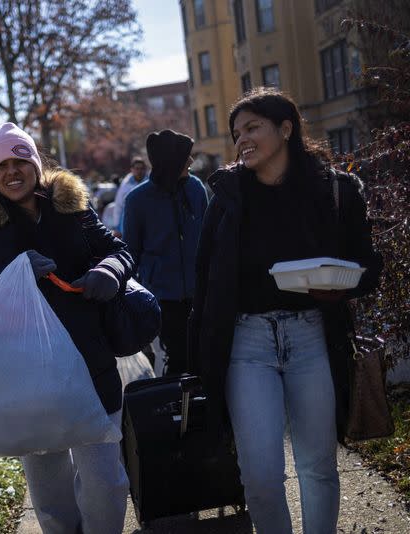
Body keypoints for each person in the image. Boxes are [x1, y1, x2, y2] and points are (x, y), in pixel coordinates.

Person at [187, 87, 383, 534]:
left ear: (286, 128)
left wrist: (339, 284)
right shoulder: (228, 197)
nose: (242, 141)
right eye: (237, 133)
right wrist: (198, 353)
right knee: (259, 478)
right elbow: (205, 284)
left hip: (313, 335)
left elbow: (370, 265)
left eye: (252, 128)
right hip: (247, 344)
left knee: (318, 466)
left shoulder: (335, 190)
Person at [0, 122, 146, 534]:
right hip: (27, 379)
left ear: (36, 162)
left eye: (20, 160)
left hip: (91, 364)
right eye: (1, 165)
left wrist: (109, 271)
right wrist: (16, 275)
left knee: (105, 484)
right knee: (51, 496)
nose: (12, 172)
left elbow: (119, 250)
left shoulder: (71, 206)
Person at [123, 130, 208, 374]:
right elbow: (130, 253)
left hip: (199, 294)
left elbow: (208, 237)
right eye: (185, 157)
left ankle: (205, 410)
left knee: (204, 356)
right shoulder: (137, 200)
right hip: (162, 299)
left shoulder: (195, 188)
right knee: (178, 361)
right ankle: (180, 409)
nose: (191, 162)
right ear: (171, 161)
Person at [111, 156, 149, 236]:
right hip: (128, 221)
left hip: (146, 222)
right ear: (132, 169)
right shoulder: (125, 185)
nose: (139, 171)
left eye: (142, 168)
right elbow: (119, 205)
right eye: (137, 168)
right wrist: (117, 226)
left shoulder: (150, 184)